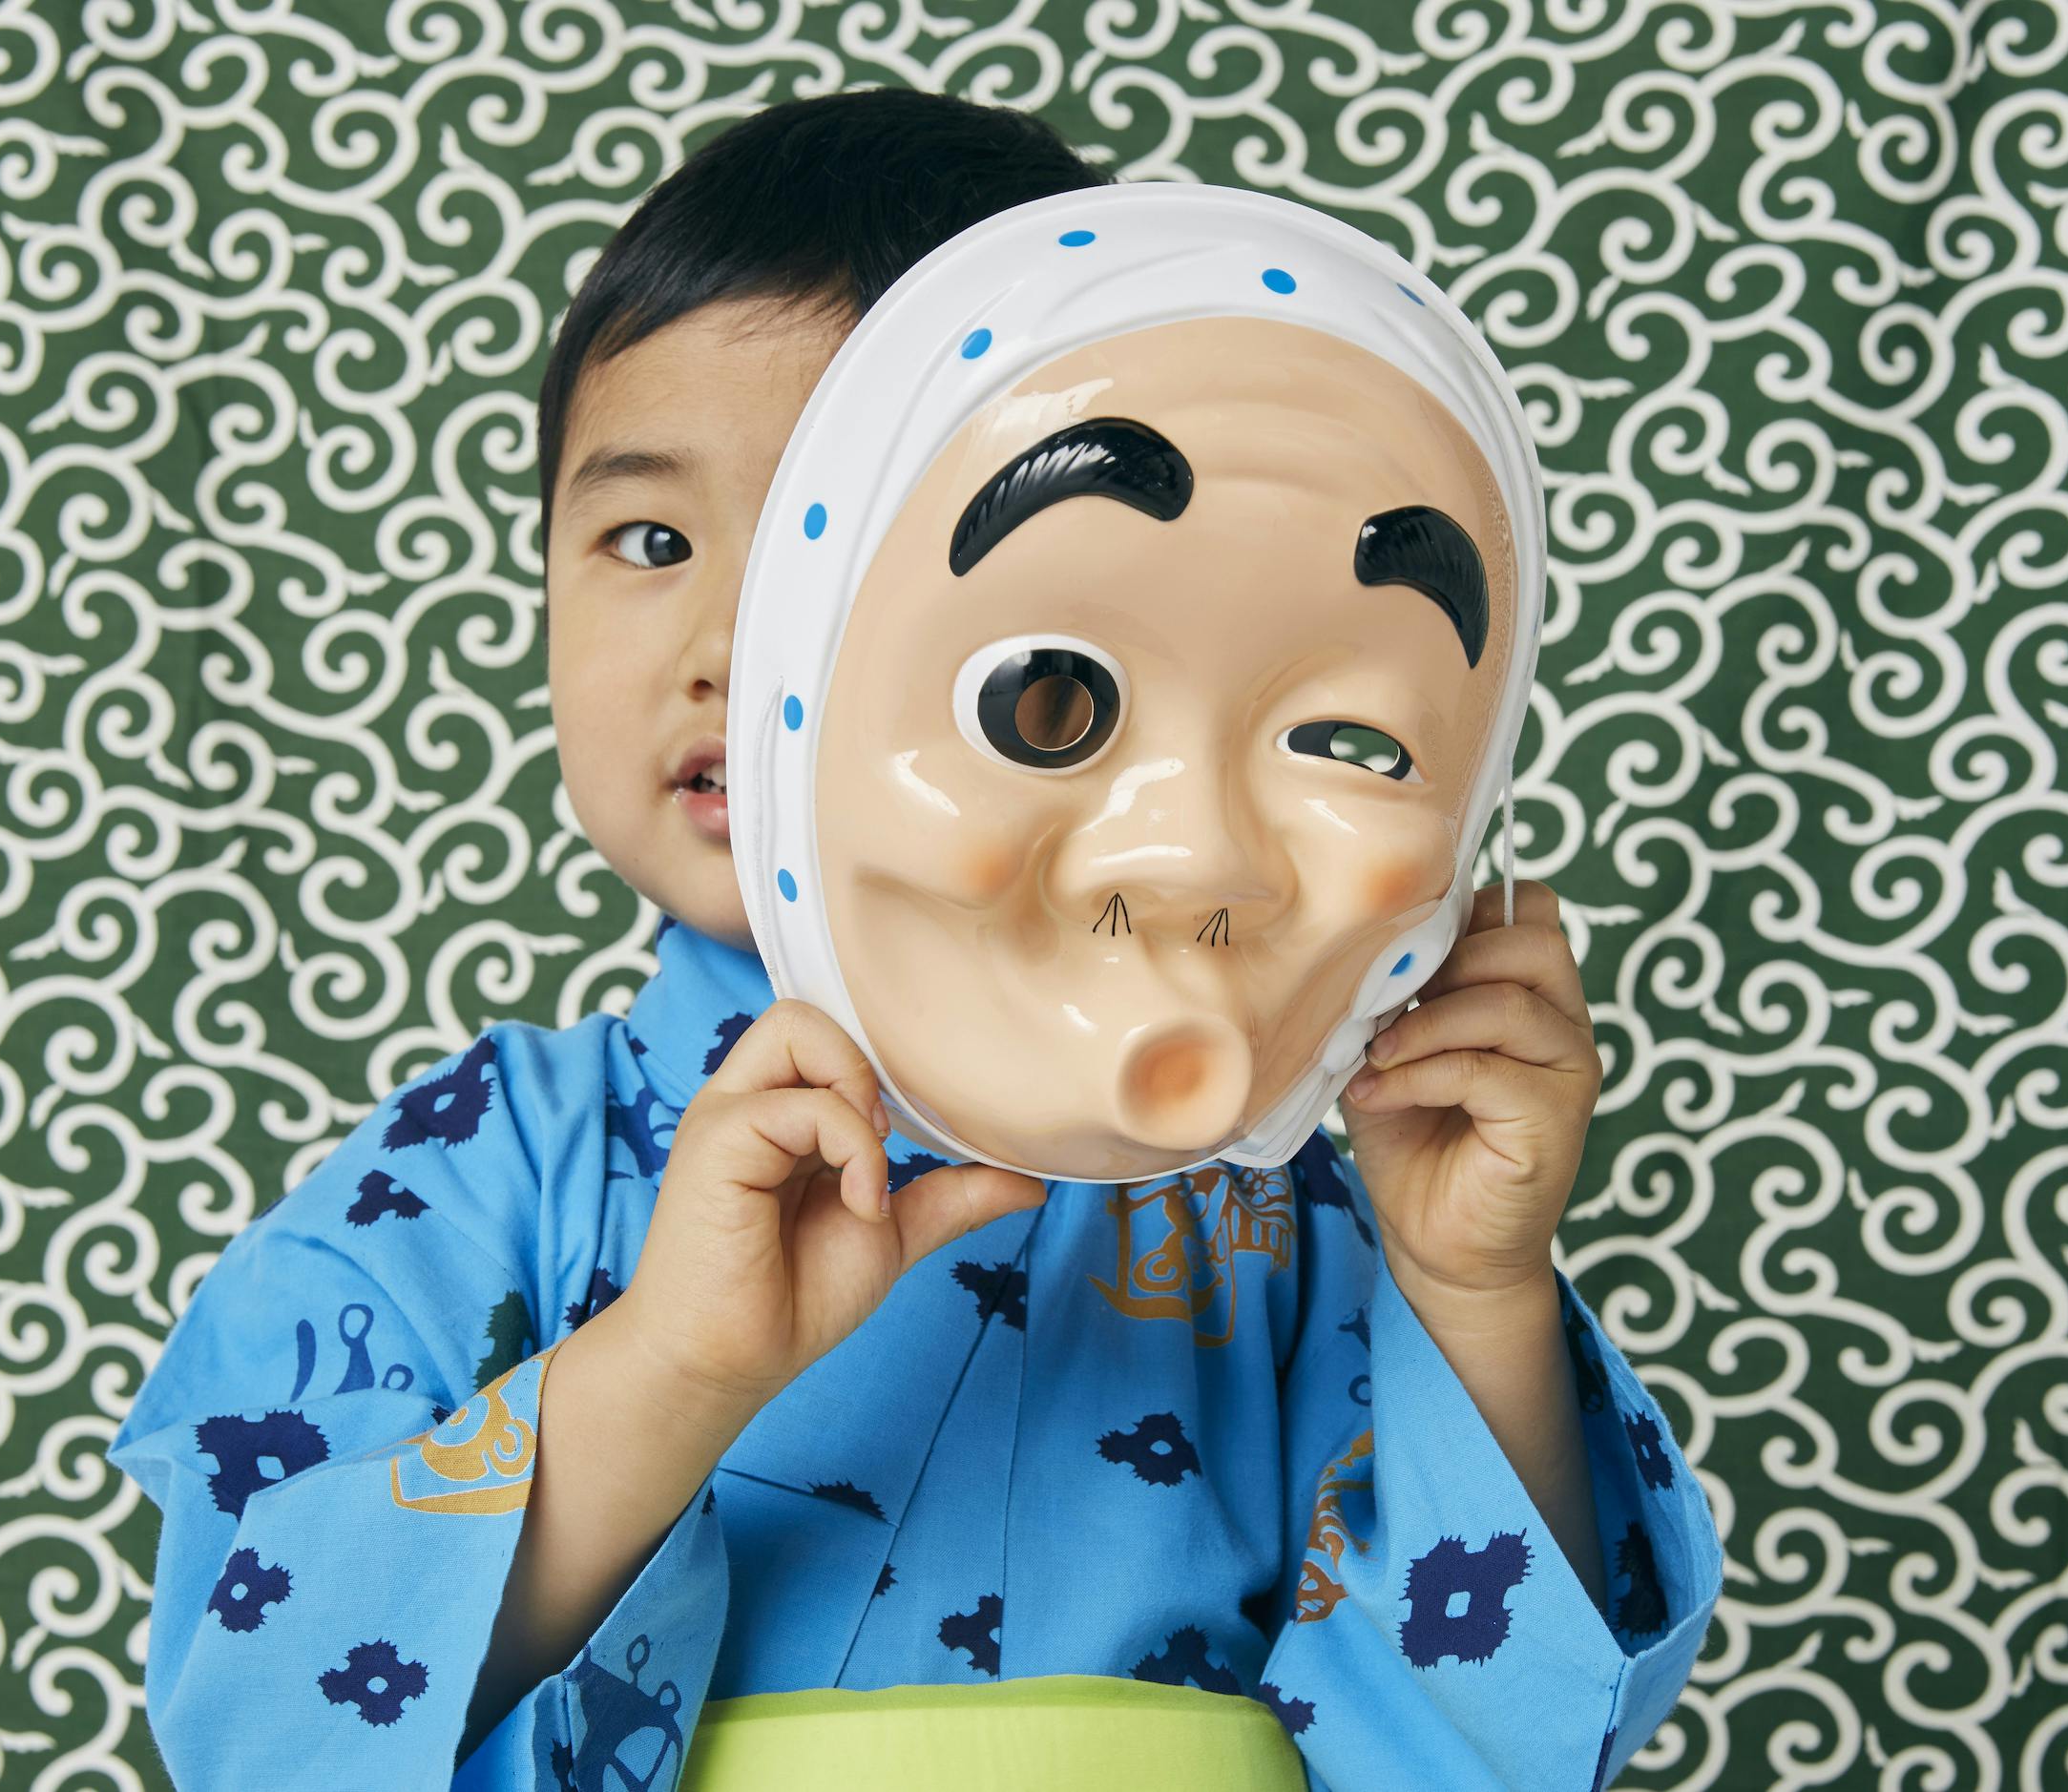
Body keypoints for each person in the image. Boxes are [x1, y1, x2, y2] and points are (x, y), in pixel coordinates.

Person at [109, 89, 1720, 1792]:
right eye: (650, 539)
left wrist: (1472, 1288)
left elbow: (1493, 1742)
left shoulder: (1280, 1190)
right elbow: (263, 1714)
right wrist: (668, 1368)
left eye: (844, 542)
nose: (735, 640)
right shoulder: (469, 1173)